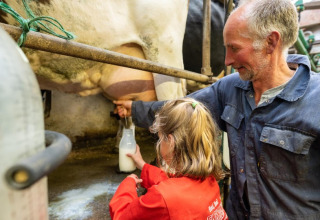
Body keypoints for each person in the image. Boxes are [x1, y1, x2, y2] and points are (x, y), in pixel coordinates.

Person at [114, 0, 320, 219]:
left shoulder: (315, 100)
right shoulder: (230, 88)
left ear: (271, 42)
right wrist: (134, 109)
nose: (227, 60)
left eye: (234, 48)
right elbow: (180, 110)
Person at [109, 98, 228, 220]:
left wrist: (127, 186)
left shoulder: (163, 197)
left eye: (160, 137)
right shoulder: (210, 178)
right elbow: (173, 183)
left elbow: (122, 216)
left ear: (171, 142)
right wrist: (142, 165)